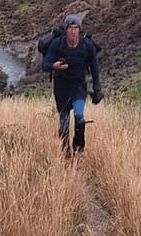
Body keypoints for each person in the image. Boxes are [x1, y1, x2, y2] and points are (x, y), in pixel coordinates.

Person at [41, 13, 103, 154]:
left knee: (80, 117)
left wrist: (97, 88)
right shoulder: (57, 44)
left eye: (76, 28)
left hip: (78, 88)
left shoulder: (87, 45)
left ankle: (78, 148)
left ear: (79, 30)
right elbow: (45, 65)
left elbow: (94, 66)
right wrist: (54, 66)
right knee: (64, 123)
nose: (73, 31)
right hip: (61, 89)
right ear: (66, 30)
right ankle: (65, 152)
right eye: (70, 28)